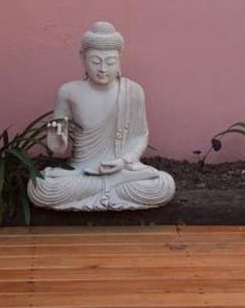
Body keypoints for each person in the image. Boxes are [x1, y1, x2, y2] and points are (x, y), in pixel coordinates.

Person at [28, 21, 175, 211]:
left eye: (110, 62)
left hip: (120, 168)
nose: (103, 68)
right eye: (96, 61)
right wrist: (57, 138)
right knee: (41, 187)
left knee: (163, 184)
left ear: (120, 59)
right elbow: (58, 148)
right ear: (82, 58)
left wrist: (122, 162)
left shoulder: (133, 91)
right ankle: (114, 184)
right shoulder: (69, 92)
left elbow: (140, 136)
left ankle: (114, 182)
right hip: (82, 170)